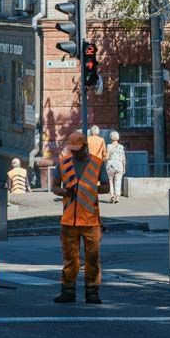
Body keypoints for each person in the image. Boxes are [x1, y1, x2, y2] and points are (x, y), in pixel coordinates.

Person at [50, 129, 110, 304]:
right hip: (69, 220)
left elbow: (106, 187)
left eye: (77, 149)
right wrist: (64, 192)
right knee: (70, 258)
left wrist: (91, 189)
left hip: (91, 220)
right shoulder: (63, 163)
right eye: (72, 149)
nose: (74, 152)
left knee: (92, 258)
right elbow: (55, 187)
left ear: (85, 146)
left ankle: (92, 292)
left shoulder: (97, 163)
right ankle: (68, 291)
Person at [106, 132, 126, 203]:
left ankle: (112, 195)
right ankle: (117, 197)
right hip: (119, 165)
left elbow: (107, 157)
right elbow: (123, 158)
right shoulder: (121, 147)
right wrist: (124, 167)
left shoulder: (109, 146)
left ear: (111, 137)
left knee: (110, 181)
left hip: (111, 165)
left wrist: (104, 159)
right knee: (118, 181)